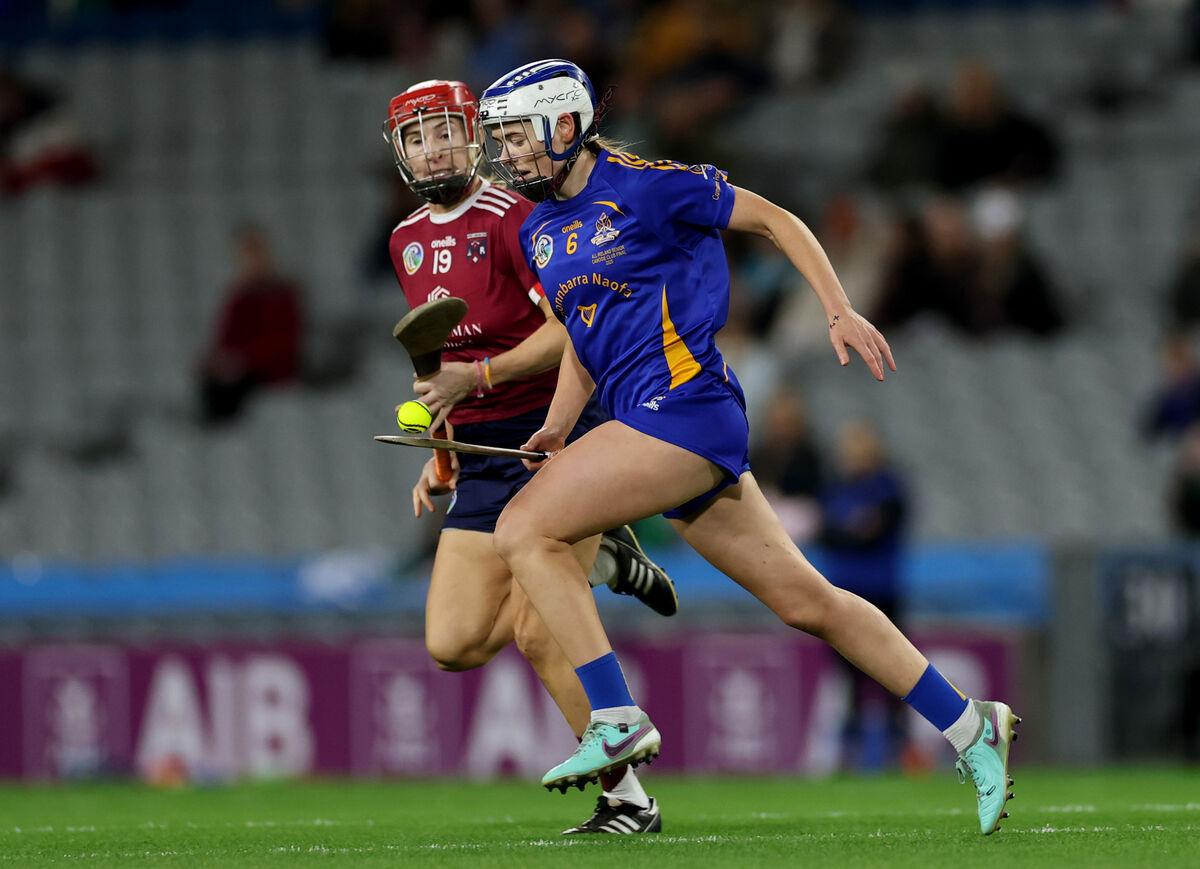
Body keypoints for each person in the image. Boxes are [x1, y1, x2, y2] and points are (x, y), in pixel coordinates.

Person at [477, 59, 1019, 836]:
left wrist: (837, 309)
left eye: (517, 137)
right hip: (644, 420)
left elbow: (777, 221)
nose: (509, 156)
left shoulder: (649, 185)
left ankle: (615, 712)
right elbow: (582, 338)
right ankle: (972, 725)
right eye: (500, 141)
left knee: (522, 529)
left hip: (688, 410)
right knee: (809, 602)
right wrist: (559, 426)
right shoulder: (539, 230)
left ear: (566, 125)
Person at [384, 79, 677, 836]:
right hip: (481, 453)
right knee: (452, 643)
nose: (433, 147)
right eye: (417, 138)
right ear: (400, 153)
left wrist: (476, 378)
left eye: (446, 130)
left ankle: (628, 801)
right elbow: (439, 362)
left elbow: (571, 332)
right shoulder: (405, 239)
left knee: (540, 631)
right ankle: (610, 559)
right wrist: (441, 451)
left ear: (475, 134)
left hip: (555, 434)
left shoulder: (518, 217)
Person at [818, 419, 910, 771]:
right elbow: (828, 532)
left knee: (894, 674)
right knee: (848, 679)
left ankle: (898, 749)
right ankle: (851, 752)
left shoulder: (889, 487)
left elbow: (869, 531)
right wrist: (848, 529)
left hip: (881, 593)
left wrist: (847, 530)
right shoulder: (835, 487)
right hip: (842, 595)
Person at [196, 225, 305, 425]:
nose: (253, 258)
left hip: (270, 373)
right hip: (241, 373)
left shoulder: (284, 295)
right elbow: (225, 339)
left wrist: (242, 360)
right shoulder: (239, 297)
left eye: (257, 250)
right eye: (247, 252)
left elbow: (284, 343)